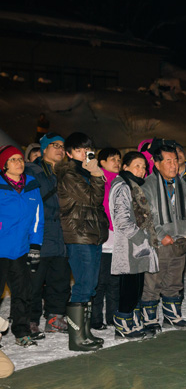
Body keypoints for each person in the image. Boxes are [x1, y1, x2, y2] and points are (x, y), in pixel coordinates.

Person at [56, 132, 108, 351]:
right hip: (78, 235)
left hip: (92, 234)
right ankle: (76, 339)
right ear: (69, 153)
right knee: (83, 285)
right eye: (78, 150)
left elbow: (97, 202)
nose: (83, 153)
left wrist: (94, 173)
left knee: (91, 286)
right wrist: (96, 173)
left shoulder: (85, 172)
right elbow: (91, 198)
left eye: (86, 149)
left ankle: (85, 332)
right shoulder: (69, 174)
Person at [141, 145, 186, 330]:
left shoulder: (182, 184)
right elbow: (145, 215)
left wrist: (185, 235)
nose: (174, 165)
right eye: (169, 161)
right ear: (157, 164)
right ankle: (149, 319)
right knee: (153, 282)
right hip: (158, 242)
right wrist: (161, 235)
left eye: (175, 160)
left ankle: (172, 316)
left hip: (179, 241)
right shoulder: (148, 185)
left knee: (174, 281)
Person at [25, 133, 71, 336]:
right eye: (55, 145)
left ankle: (55, 317)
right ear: (44, 149)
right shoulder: (32, 172)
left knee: (60, 280)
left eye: (62, 146)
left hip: (62, 236)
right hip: (39, 234)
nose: (60, 149)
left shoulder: (66, 173)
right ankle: (30, 320)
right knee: (34, 282)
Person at [108, 151, 158, 339]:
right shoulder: (122, 186)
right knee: (129, 286)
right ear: (125, 166)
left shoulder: (135, 186)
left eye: (144, 166)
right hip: (130, 245)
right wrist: (140, 239)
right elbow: (122, 220)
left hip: (138, 245)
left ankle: (132, 320)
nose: (142, 170)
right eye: (137, 165)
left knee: (137, 285)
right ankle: (122, 323)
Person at [0, 145, 44, 347]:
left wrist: (35, 245)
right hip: (1, 248)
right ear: (4, 165)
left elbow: (37, 219)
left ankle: (21, 331)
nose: (19, 163)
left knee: (22, 293)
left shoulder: (32, 185)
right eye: (13, 160)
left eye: (20, 159)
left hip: (21, 249)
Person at [92, 147, 121, 330]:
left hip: (118, 238)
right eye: (113, 159)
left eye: (119, 159)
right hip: (102, 238)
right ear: (101, 162)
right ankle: (95, 319)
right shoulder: (97, 181)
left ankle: (112, 316)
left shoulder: (121, 182)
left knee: (115, 281)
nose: (117, 162)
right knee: (100, 282)